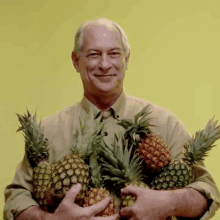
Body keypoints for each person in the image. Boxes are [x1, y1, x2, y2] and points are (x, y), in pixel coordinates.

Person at [4, 18, 220, 220]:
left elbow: (207, 192)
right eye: (94, 54)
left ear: (126, 60)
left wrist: (169, 202)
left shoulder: (163, 123)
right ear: (76, 61)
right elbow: (16, 200)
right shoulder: (48, 131)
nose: (105, 64)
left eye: (114, 53)